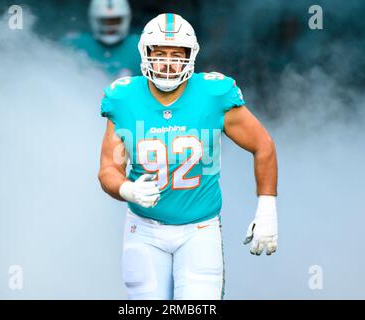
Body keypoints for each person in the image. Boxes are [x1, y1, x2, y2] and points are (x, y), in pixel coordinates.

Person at [98, 13, 278, 300]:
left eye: (176, 55)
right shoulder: (124, 98)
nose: (168, 63)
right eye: (159, 54)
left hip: (199, 229)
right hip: (143, 229)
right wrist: (126, 188)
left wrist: (267, 210)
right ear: (146, 54)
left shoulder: (213, 94)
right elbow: (108, 168)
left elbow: (263, 145)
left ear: (190, 56)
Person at [62, 0, 140, 78]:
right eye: (104, 21)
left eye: (115, 21)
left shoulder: (141, 45)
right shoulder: (73, 44)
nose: (110, 27)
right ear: (94, 19)